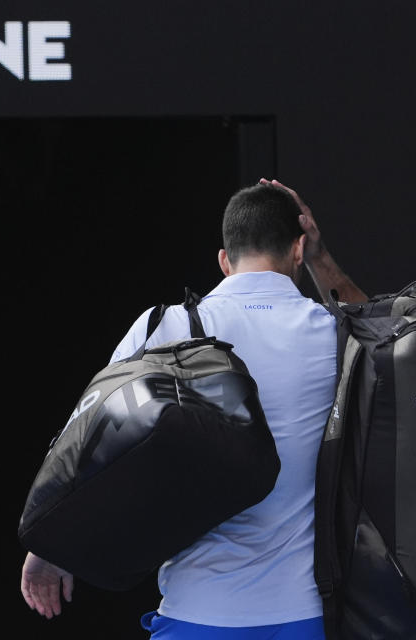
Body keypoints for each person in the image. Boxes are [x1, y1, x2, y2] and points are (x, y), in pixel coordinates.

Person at [20, 179, 368, 638]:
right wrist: (323, 257)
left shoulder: (164, 325)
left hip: (196, 614)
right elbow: (379, 330)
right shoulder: (334, 334)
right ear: (298, 250)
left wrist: (49, 549)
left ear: (225, 260)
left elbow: (83, 448)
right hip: (302, 615)